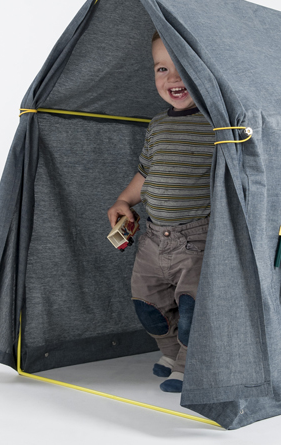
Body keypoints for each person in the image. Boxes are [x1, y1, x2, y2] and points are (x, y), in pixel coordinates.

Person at [107, 31, 214, 393]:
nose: (172, 78)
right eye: (162, 68)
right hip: (153, 237)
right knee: (146, 304)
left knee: (193, 309)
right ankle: (170, 352)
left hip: (196, 238)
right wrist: (123, 202)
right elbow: (146, 173)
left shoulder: (217, 125)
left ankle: (187, 364)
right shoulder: (158, 125)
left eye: (181, 67)